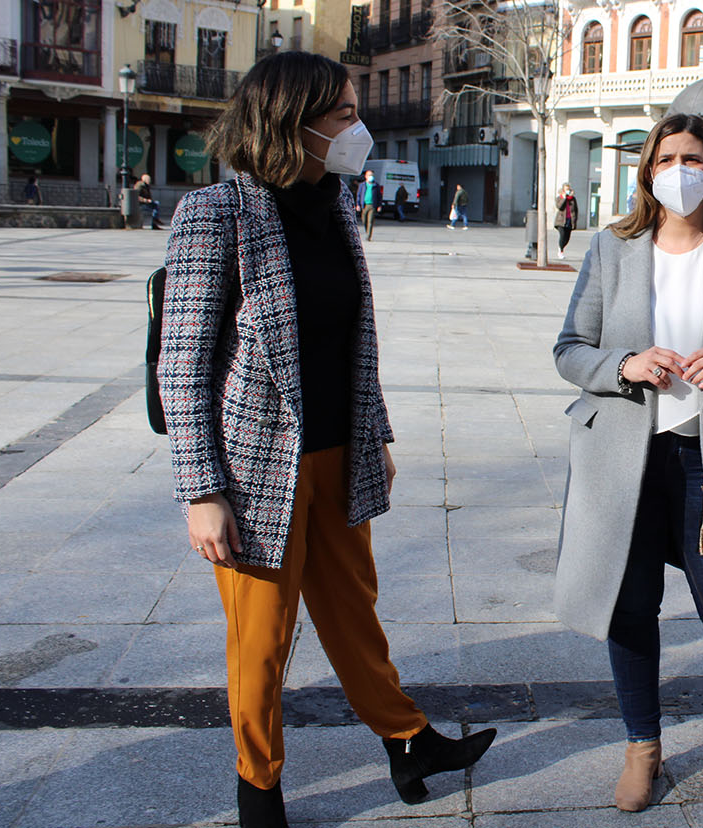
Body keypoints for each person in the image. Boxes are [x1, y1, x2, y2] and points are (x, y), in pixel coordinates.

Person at [159, 52, 495, 828]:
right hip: (255, 469)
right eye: (344, 113)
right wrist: (201, 492)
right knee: (263, 639)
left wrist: (373, 432)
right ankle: (259, 787)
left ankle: (407, 740)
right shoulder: (216, 212)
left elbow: (354, 339)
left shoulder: (336, 202)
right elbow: (183, 365)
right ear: (292, 121)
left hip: (338, 452)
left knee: (353, 608)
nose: (358, 127)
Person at [552, 112, 703, 821]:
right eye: (665, 158)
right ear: (646, 171)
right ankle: (643, 748)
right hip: (622, 459)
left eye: (692, 158)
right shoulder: (612, 247)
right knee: (631, 611)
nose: (678, 170)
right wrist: (623, 364)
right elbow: (568, 349)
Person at [554, 183, 579, 259]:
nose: (567, 191)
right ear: (563, 190)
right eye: (566, 189)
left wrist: (575, 220)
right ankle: (560, 251)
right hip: (561, 221)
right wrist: (564, 198)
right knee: (562, 235)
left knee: (567, 238)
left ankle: (561, 247)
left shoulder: (572, 199)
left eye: (568, 189)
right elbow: (559, 207)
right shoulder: (559, 198)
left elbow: (576, 209)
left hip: (569, 220)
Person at [358, 170, 379, 240]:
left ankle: (368, 235)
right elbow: (359, 195)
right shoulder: (362, 185)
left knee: (370, 221)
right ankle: (367, 231)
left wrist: (379, 205)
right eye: (369, 175)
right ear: (366, 176)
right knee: (364, 220)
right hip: (364, 205)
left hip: (372, 205)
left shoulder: (376, 185)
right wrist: (358, 204)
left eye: (372, 175)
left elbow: (379, 196)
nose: (371, 177)